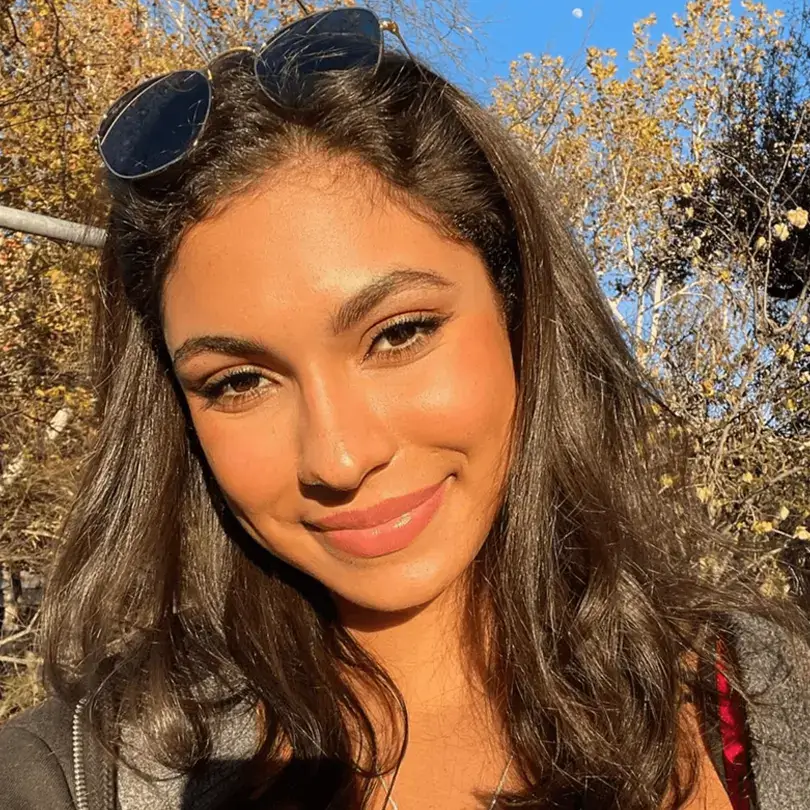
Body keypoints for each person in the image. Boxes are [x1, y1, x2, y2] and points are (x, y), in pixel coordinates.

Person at [1, 6, 809, 810]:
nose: (339, 458)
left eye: (399, 334)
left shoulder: (764, 703)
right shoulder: (76, 773)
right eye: (238, 382)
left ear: (521, 316)